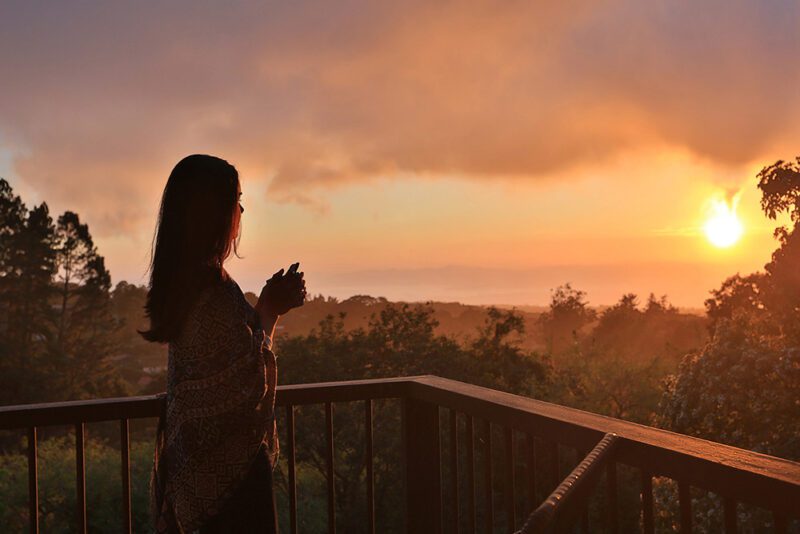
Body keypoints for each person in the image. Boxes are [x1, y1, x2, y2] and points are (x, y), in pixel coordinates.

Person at [141, 154, 305, 533]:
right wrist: (268, 311)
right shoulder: (211, 291)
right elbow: (246, 386)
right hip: (231, 486)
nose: (242, 209)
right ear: (213, 211)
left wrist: (266, 310)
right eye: (236, 199)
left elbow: (236, 362)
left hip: (196, 479)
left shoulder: (185, 285)